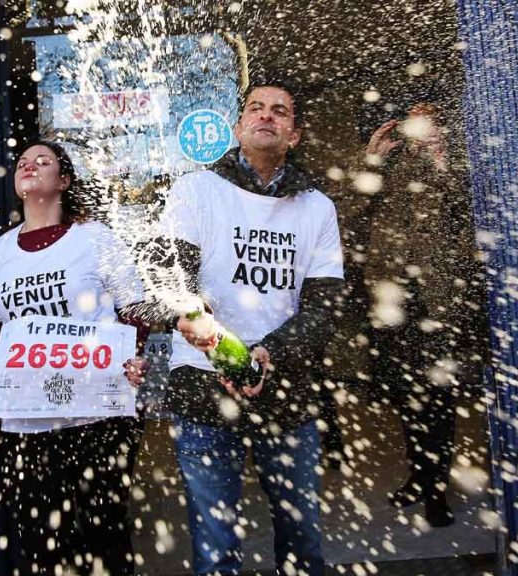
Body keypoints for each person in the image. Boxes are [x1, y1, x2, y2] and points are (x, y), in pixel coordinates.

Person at [156, 83, 345, 576]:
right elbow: (173, 278)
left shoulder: (317, 207)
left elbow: (324, 308)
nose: (267, 116)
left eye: (280, 111)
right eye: (255, 108)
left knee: (302, 535)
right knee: (216, 541)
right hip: (202, 383)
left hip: (286, 384)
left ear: (294, 134)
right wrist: (214, 340)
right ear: (238, 128)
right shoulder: (196, 189)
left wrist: (267, 354)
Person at [0, 140, 149, 575]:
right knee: (42, 542)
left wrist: (133, 357)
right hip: (27, 422)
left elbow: (134, 310)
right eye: (23, 163)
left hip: (97, 418)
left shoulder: (95, 238)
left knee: (104, 535)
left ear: (64, 181)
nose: (30, 166)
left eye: (43, 161)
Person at [359, 101, 487, 527]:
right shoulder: (389, 167)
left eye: (426, 121)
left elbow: (470, 221)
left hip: (437, 304)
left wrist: (441, 160)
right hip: (391, 301)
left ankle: (436, 491)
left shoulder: (457, 166)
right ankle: (418, 474)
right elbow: (351, 208)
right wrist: (372, 157)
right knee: (404, 397)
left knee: (437, 401)